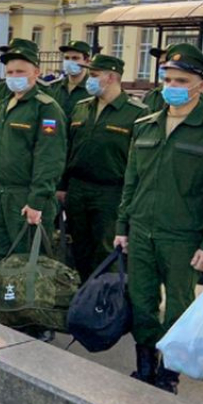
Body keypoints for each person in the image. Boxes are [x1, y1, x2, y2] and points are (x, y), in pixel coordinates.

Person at [115, 43, 203, 394]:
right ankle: (144, 364)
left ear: (200, 84)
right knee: (142, 300)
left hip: (182, 235)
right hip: (141, 230)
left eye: (181, 79)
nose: (172, 86)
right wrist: (122, 227)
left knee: (179, 306)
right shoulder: (146, 124)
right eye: (167, 78)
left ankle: (169, 372)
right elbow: (131, 180)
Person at [0, 39, 67, 303]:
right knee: (1, 256)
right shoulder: (3, 104)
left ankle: (34, 317)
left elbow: (49, 159)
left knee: (29, 259)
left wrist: (37, 200)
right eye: (10, 73)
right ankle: (5, 308)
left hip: (25, 197)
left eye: (20, 72)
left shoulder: (46, 108)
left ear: (36, 73)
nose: (14, 77)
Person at [57, 54, 147, 282]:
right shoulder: (81, 108)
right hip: (78, 189)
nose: (90, 79)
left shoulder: (136, 113)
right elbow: (68, 149)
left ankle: (105, 301)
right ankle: (83, 298)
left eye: (95, 75)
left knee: (107, 251)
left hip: (111, 192)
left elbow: (139, 162)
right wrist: (62, 185)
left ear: (111, 77)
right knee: (79, 248)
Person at [48, 40, 93, 119]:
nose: (70, 61)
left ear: (87, 61)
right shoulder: (53, 87)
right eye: (67, 58)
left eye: (75, 58)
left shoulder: (93, 89)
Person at [142, 48, 168, 112]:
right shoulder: (152, 96)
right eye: (161, 63)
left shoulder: (188, 94)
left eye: (166, 63)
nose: (162, 67)